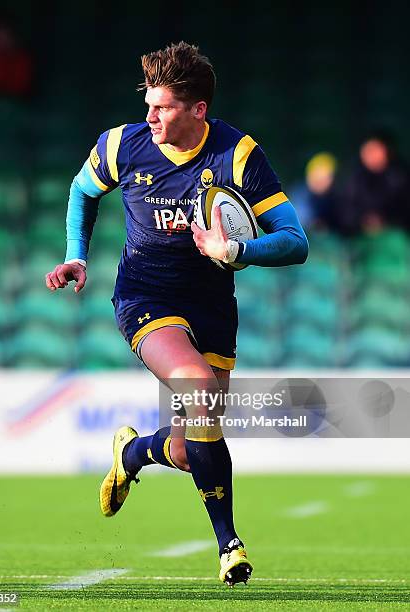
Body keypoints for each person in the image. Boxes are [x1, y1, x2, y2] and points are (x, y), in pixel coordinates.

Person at [45, 42, 308, 586]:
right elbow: (81, 190)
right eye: (148, 103)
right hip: (145, 296)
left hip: (212, 306)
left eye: (161, 108)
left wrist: (235, 251)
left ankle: (135, 451)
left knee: (191, 449)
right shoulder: (123, 144)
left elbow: (295, 241)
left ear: (197, 110)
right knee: (196, 384)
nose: (150, 117)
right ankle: (229, 545)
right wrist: (76, 253)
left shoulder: (237, 156)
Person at [342, 131, 410, 234]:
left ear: (387, 150)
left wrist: (385, 222)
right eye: (367, 150)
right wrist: (363, 221)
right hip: (360, 234)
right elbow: (346, 211)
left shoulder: (400, 176)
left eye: (375, 149)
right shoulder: (356, 177)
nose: (370, 154)